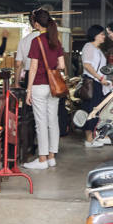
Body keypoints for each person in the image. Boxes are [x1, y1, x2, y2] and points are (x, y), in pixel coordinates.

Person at [24, 9, 66, 170]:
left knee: (40, 123)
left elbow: (33, 67)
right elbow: (61, 65)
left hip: (39, 85)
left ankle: (42, 159)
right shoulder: (56, 41)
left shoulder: (37, 41)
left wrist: (28, 90)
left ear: (36, 24)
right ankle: (51, 157)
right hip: (54, 87)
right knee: (52, 121)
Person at [80, 25, 112, 147]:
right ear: (95, 35)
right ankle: (88, 139)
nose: (104, 36)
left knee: (96, 110)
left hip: (98, 83)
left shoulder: (98, 49)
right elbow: (87, 65)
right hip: (92, 83)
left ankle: (94, 136)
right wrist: (100, 78)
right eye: (102, 34)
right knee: (91, 110)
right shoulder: (89, 47)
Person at [15, 9, 41, 86]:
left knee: (30, 97)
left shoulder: (23, 40)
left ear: (31, 23)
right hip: (44, 75)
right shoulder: (48, 38)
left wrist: (16, 83)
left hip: (29, 76)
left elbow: (18, 64)